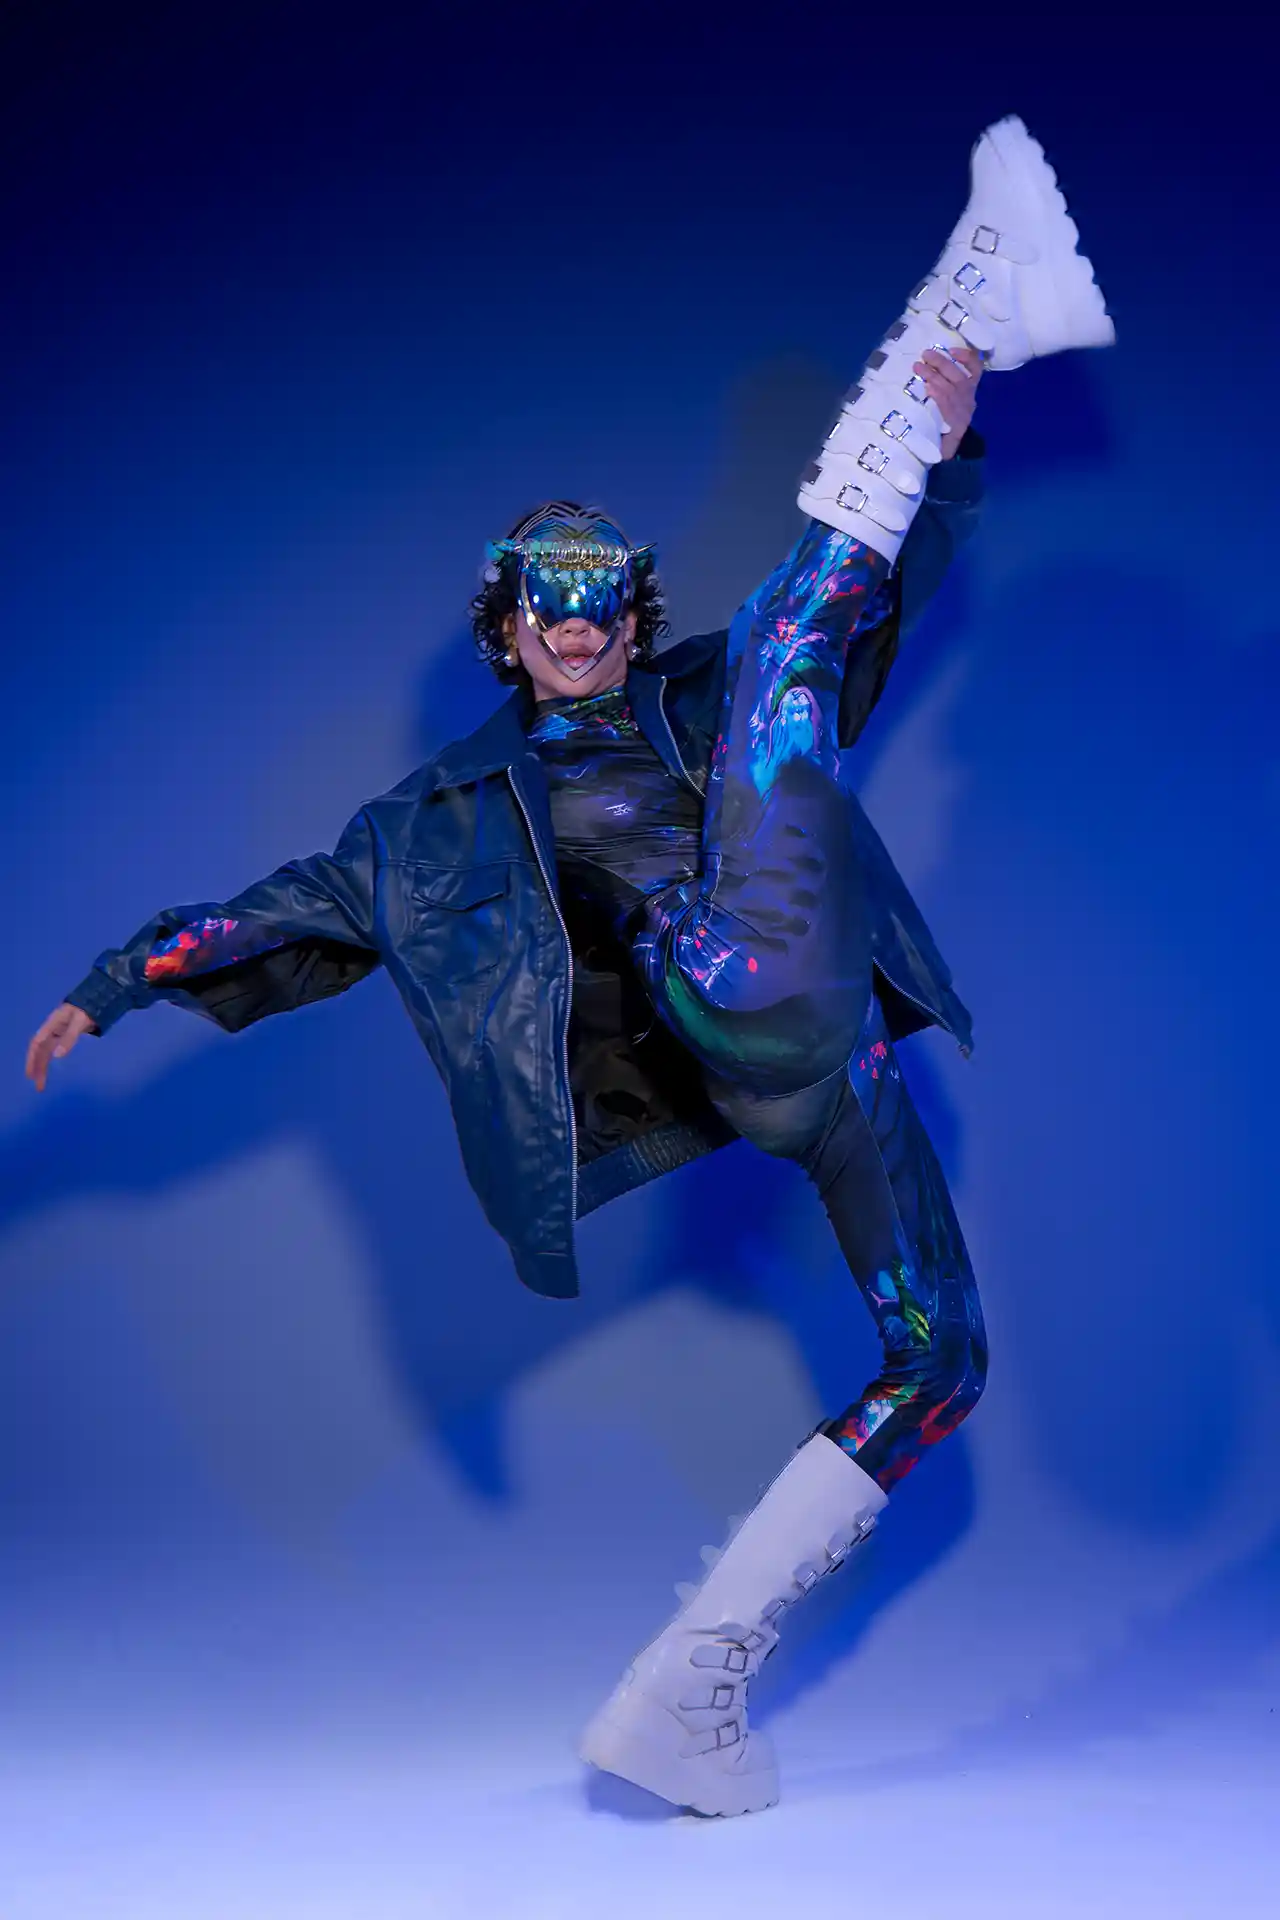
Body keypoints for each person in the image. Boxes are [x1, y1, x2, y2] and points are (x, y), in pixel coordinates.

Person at [25, 116, 1113, 1815]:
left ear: (629, 609)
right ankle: (964, 297)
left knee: (942, 1363)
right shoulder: (449, 814)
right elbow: (281, 911)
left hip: (832, 1069)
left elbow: (854, 618)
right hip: (727, 994)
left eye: (605, 598)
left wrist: (953, 451)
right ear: (509, 624)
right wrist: (119, 977)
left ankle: (687, 1693)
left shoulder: (695, 697)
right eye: (553, 603)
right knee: (788, 646)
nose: (585, 626)